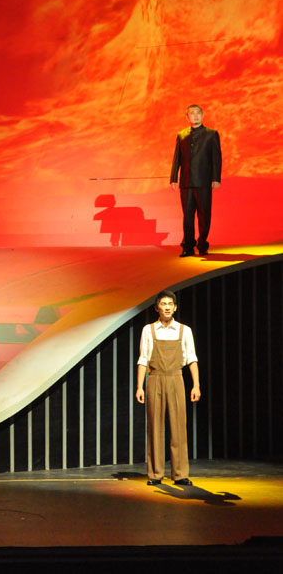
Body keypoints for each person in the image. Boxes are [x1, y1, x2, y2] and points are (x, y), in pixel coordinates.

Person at [135, 290, 200, 486]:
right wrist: (139, 387)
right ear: (157, 308)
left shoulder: (184, 330)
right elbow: (143, 360)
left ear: (175, 307)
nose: (167, 307)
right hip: (155, 379)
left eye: (170, 304)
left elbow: (192, 359)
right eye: (163, 304)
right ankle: (155, 474)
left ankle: (180, 474)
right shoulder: (148, 330)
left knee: (179, 426)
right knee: (155, 426)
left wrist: (196, 385)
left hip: (176, 378)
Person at [170, 104, 222, 256]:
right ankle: (188, 246)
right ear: (187, 117)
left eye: (198, 113)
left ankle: (202, 244)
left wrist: (216, 178)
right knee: (187, 216)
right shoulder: (181, 135)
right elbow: (177, 158)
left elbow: (216, 158)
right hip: (186, 182)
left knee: (204, 215)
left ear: (202, 115)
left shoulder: (211, 134)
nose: (196, 116)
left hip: (203, 181)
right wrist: (174, 178)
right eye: (192, 113)